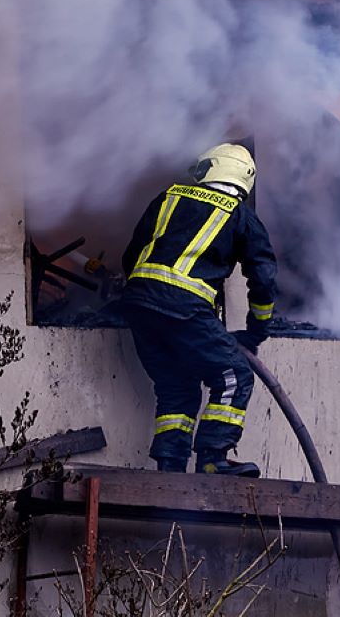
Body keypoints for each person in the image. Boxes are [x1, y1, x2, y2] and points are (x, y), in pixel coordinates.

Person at [120, 144, 279, 476]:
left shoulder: (168, 197)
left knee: (177, 385)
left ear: (208, 168)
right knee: (234, 375)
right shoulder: (241, 217)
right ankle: (212, 458)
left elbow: (132, 254)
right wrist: (256, 331)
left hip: (138, 307)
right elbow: (263, 279)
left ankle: (171, 465)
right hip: (185, 309)